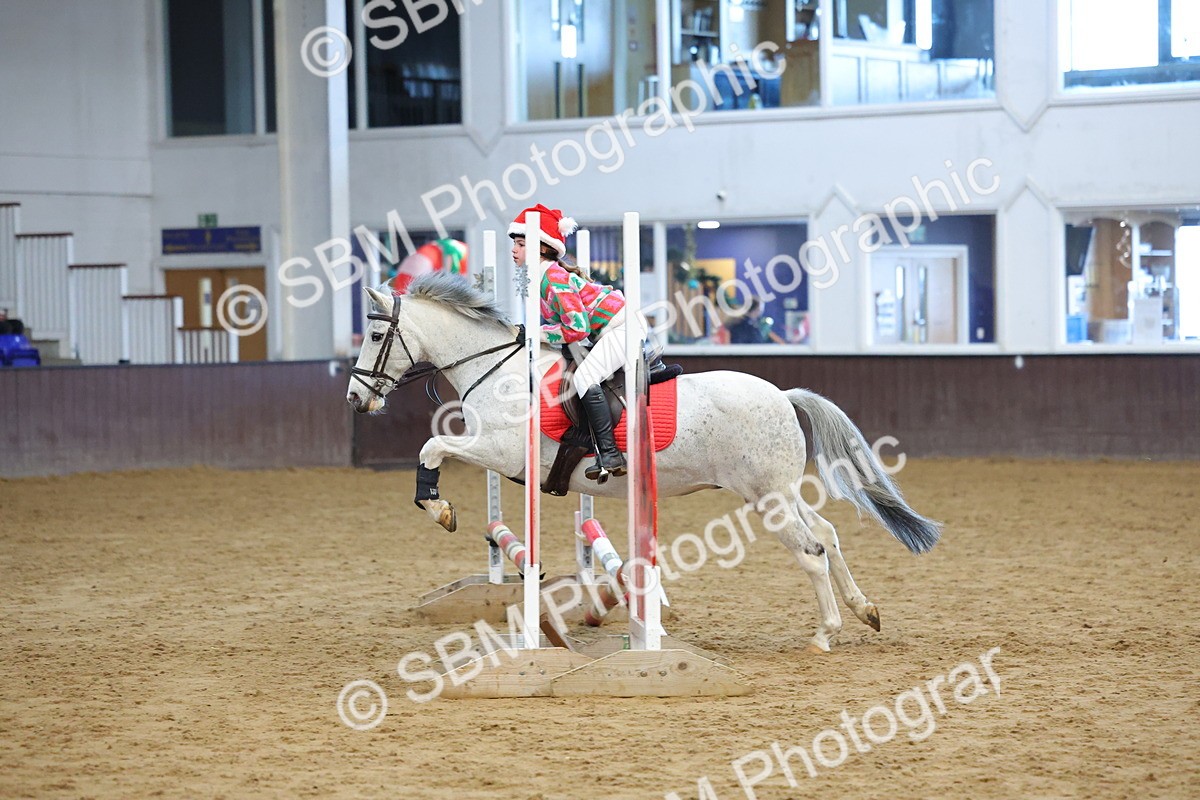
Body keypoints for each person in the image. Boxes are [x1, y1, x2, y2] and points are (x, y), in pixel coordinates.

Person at [509, 203, 647, 480]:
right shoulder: (543, 277)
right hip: (610, 330)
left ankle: (610, 453)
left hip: (622, 328)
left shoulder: (554, 277)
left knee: (584, 379)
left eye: (522, 244)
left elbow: (577, 328)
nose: (514, 250)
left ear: (542, 248)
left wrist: (538, 334)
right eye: (515, 244)